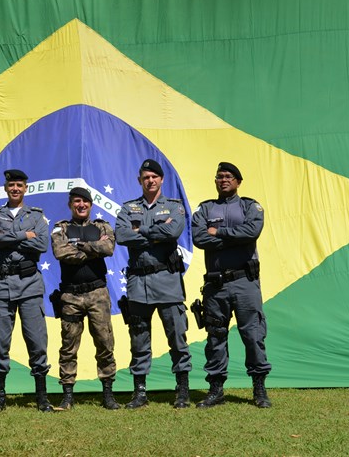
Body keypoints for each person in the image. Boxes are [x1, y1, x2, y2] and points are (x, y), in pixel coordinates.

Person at [191, 162, 272, 408]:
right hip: (216, 286)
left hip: (245, 283)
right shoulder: (205, 208)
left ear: (238, 181)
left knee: (253, 334)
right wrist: (229, 236)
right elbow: (199, 237)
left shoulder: (250, 206)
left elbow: (252, 231)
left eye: (228, 176)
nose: (223, 180)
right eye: (219, 176)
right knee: (215, 336)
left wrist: (219, 232)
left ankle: (259, 389)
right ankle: (216, 390)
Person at [115, 159, 192, 409]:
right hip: (138, 283)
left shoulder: (174, 206)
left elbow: (173, 233)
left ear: (161, 180)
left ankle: (182, 390)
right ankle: (140, 392)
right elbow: (122, 235)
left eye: (154, 177)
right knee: (139, 339)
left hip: (168, 282)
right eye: (145, 177)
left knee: (177, 338)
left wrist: (141, 231)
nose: (150, 181)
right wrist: (154, 231)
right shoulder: (129, 208)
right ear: (140, 181)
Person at [0, 169, 52, 413]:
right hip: (2, 285)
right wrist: (24, 235)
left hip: (30, 283)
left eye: (19, 185)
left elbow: (42, 244)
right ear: (6, 188)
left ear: (25, 188)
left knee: (36, 340)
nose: (15, 189)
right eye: (11, 185)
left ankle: (42, 397)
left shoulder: (37, 216)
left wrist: (8, 237)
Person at [50, 187, 120, 410]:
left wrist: (80, 246)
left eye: (85, 202)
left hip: (98, 293)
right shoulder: (60, 228)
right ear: (71, 205)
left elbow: (108, 247)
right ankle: (68, 395)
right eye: (76, 201)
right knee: (68, 345)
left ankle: (108, 393)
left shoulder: (102, 226)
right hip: (71, 294)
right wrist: (92, 250)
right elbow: (61, 253)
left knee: (104, 342)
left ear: (91, 205)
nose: (81, 205)